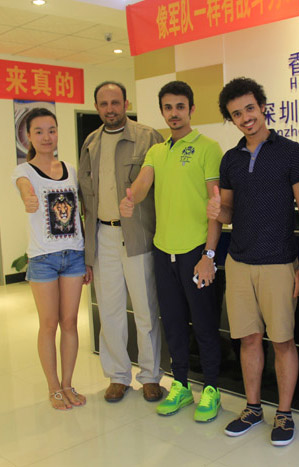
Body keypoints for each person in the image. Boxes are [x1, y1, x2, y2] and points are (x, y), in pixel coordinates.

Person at [207, 77, 299, 445]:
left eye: (250, 108)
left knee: (283, 341)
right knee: (248, 339)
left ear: (262, 107)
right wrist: (217, 211)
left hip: (279, 262)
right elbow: (228, 211)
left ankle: (284, 413)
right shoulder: (230, 158)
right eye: (236, 114)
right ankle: (252, 408)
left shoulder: (291, 152)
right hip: (239, 262)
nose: (245, 117)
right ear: (231, 119)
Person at [120, 80, 222, 422]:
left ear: (191, 109)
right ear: (162, 111)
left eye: (180, 107)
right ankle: (180, 385)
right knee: (174, 324)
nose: (174, 113)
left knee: (204, 325)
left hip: (196, 251)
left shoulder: (208, 148)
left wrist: (209, 255)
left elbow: (215, 206)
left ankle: (211, 390)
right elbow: (143, 184)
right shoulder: (156, 151)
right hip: (163, 251)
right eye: (168, 108)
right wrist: (131, 197)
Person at [78, 81, 164, 403]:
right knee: (110, 310)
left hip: (138, 236)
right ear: (97, 107)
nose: (110, 109)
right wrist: (88, 251)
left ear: (126, 103)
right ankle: (117, 376)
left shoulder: (148, 137)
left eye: (115, 102)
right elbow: (86, 199)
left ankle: (151, 376)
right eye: (104, 104)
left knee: (145, 310)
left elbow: (161, 189)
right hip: (103, 235)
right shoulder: (91, 142)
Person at [12, 108, 91, 410]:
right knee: (48, 324)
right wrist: (28, 198)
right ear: (29, 137)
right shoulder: (24, 171)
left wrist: (86, 257)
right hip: (43, 258)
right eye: (39, 131)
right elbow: (24, 189)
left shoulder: (70, 169)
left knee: (69, 322)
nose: (47, 137)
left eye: (52, 130)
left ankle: (68, 383)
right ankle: (53, 387)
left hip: (74, 256)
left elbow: (81, 213)